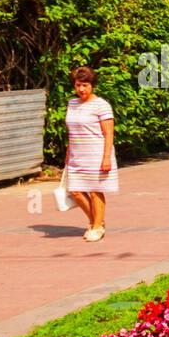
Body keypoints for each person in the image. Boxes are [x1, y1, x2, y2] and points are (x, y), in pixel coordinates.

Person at [64, 66, 117, 242]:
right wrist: (68, 153)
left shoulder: (101, 105)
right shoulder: (72, 104)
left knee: (95, 191)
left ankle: (96, 226)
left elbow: (109, 133)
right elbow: (71, 131)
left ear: (92, 85)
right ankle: (96, 221)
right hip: (76, 155)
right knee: (76, 191)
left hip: (97, 154)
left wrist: (106, 157)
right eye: (78, 85)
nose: (81, 89)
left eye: (85, 85)